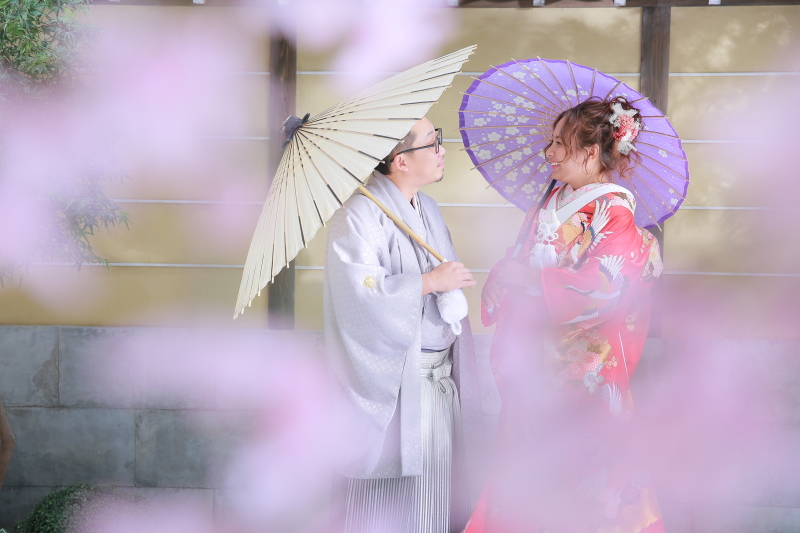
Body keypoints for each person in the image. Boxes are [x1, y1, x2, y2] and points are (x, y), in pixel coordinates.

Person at [469, 96, 666, 533]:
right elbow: (518, 260)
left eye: (559, 143)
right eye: (550, 143)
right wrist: (510, 272)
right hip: (535, 368)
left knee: (586, 484)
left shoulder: (615, 210)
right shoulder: (554, 198)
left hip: (583, 373)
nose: (550, 153)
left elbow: (606, 288)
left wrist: (530, 279)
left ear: (591, 152)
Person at [324, 116, 499, 533]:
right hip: (396, 387)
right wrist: (427, 282)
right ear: (400, 160)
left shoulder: (428, 208)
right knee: (388, 505)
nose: (442, 150)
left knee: (433, 502)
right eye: (433, 142)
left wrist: (444, 286)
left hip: (437, 383)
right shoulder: (359, 214)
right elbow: (357, 294)